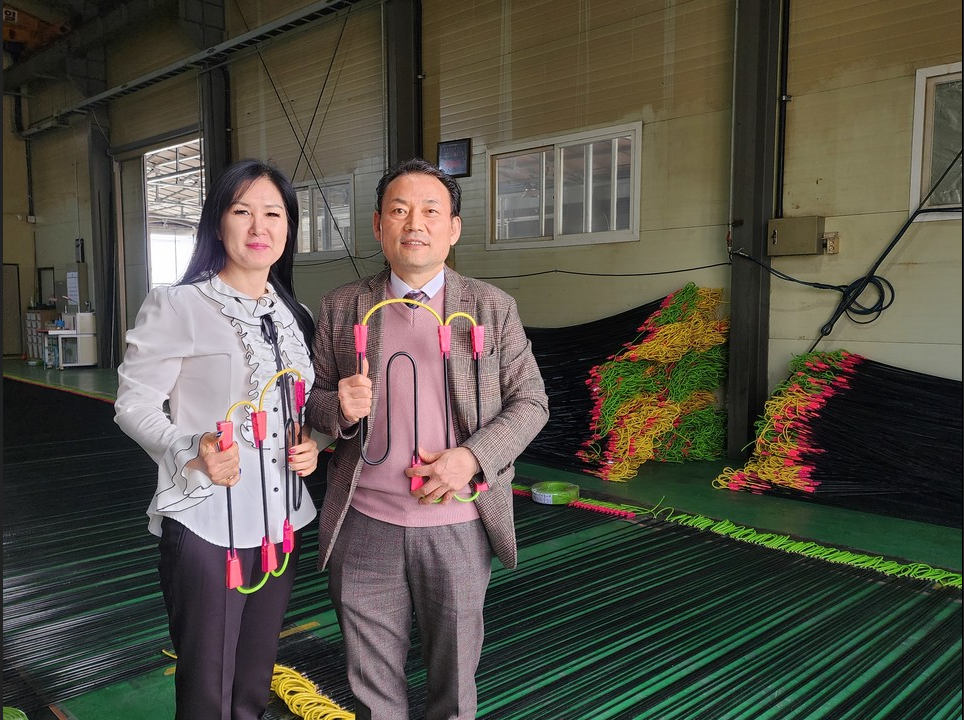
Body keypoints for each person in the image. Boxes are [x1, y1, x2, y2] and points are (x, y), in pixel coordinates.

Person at [305, 157, 550, 719]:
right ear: (378, 226)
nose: (414, 223)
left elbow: (532, 402)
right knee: (371, 691)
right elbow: (312, 401)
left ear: (453, 228)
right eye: (399, 210)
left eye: (430, 211)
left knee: (454, 685)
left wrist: (472, 457)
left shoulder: (492, 308)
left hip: (457, 522)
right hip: (364, 523)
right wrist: (338, 407)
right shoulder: (342, 307)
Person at [114, 158, 325, 719]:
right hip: (207, 523)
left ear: (289, 227)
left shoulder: (296, 315)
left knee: (254, 680)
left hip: (281, 523)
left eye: (273, 214)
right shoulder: (179, 304)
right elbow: (133, 404)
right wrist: (192, 450)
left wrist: (314, 443)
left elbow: (298, 406)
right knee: (208, 688)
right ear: (217, 223)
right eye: (242, 211)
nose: (259, 227)